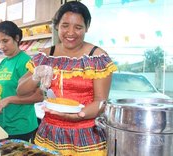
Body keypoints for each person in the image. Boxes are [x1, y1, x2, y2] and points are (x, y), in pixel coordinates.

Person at [17, 1, 117, 156]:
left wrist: (78, 115)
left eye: (78, 27)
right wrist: (37, 75)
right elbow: (21, 90)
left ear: (87, 28)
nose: (70, 32)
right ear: (57, 26)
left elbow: (101, 102)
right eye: (65, 26)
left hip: (86, 138)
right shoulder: (45, 55)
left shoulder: (97, 57)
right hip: (49, 135)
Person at [0, 21, 42, 142]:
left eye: (5, 41)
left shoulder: (26, 62)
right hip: (3, 123)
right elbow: (6, 88)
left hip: (20, 126)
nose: (1, 46)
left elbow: (39, 95)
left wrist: (9, 99)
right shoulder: (4, 62)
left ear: (17, 38)